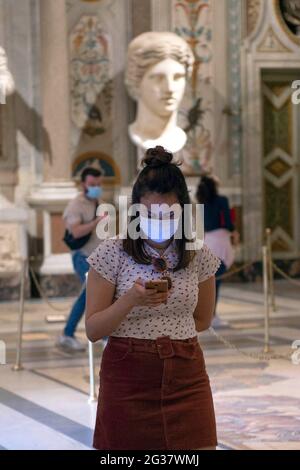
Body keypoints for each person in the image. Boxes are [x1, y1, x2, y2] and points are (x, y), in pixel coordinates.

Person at [86, 146, 222, 450]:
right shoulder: (112, 253)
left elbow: (201, 320)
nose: (158, 220)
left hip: (186, 372)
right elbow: (93, 330)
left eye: (168, 213)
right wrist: (129, 301)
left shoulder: (198, 256)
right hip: (128, 374)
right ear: (135, 211)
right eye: (149, 213)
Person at [57, 167, 107, 352]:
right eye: (93, 184)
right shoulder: (75, 205)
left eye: (99, 184)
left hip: (98, 257)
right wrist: (96, 222)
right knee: (91, 294)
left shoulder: (100, 202)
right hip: (82, 256)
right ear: (84, 184)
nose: (96, 187)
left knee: (93, 295)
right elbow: (75, 231)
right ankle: (69, 334)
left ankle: (70, 334)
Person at [196, 175, 240, 328]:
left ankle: (210, 314)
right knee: (217, 282)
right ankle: (212, 315)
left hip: (208, 241)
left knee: (210, 281)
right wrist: (234, 232)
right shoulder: (221, 200)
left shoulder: (201, 201)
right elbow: (227, 221)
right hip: (220, 241)